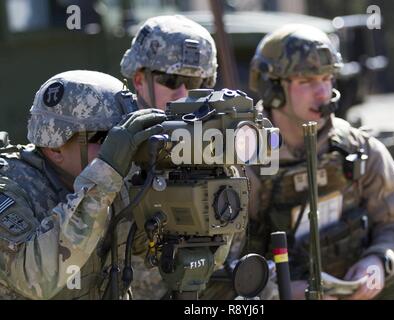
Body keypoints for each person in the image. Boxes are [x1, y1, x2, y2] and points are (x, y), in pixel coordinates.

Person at [245, 23, 394, 300]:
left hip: (353, 284)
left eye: (327, 79)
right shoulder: (244, 162)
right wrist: (281, 291)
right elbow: (225, 265)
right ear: (273, 90)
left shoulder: (358, 148)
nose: (322, 93)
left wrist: (378, 263)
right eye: (307, 81)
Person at [0, 70, 166, 299]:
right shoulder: (10, 185)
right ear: (54, 147)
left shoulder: (117, 183)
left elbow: (162, 251)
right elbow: (35, 278)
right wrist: (106, 173)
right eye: (105, 138)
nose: (122, 149)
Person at [119, 15, 229, 300]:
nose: (182, 94)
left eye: (195, 82)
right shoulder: (111, 150)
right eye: (171, 80)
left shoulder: (221, 151)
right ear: (139, 80)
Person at [120, 15, 218, 111]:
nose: (182, 96)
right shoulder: (110, 123)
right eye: (171, 81)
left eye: (193, 83)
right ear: (139, 81)